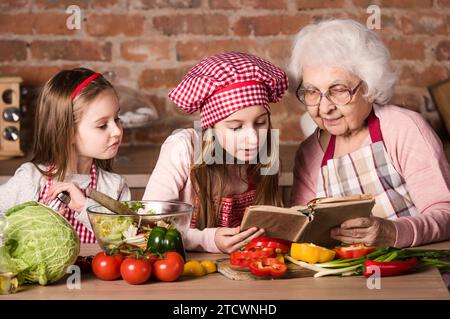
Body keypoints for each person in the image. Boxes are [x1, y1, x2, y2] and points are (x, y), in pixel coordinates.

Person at [289, 19, 450, 248]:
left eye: (338, 90)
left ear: (369, 87)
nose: (325, 108)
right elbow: (303, 230)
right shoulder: (309, 153)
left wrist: (394, 232)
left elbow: (445, 213)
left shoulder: (403, 128)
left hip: (416, 275)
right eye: (312, 92)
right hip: (346, 279)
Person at [143, 52, 289, 253]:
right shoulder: (183, 148)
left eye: (260, 122)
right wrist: (207, 240)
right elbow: (147, 224)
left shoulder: (265, 156)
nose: (254, 139)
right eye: (236, 127)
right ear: (211, 127)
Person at [0, 68, 130, 243]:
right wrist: (34, 227)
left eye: (117, 118)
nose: (117, 130)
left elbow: (128, 241)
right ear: (68, 133)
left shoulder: (114, 187)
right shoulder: (31, 180)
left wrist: (85, 207)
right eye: (102, 125)